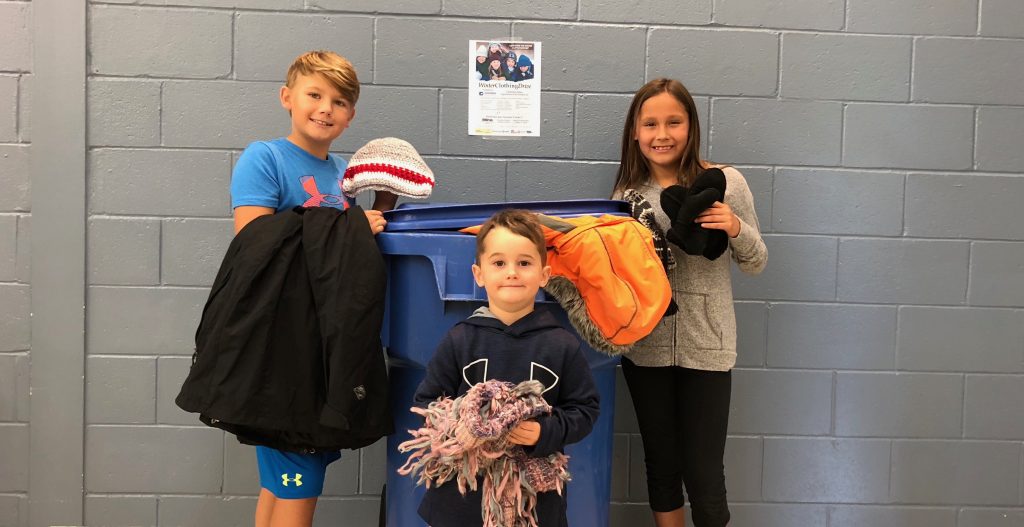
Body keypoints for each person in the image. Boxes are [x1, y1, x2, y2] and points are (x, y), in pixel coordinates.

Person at [230, 49, 395, 527]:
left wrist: (381, 204)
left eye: (339, 101)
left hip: (325, 344)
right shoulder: (265, 158)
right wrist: (347, 226)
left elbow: (339, 257)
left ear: (350, 116)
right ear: (287, 97)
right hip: (283, 344)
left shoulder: (345, 174)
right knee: (298, 474)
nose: (326, 108)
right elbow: (253, 242)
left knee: (282, 479)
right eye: (315, 95)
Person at [611, 78, 767, 527]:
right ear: (636, 133)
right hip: (645, 348)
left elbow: (756, 263)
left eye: (673, 122)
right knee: (661, 465)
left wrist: (735, 226)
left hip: (709, 346)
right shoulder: (626, 196)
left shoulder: (725, 183)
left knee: (704, 473)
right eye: (651, 124)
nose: (662, 134)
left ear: (690, 125)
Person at [412, 209, 601, 527]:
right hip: (463, 496)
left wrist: (543, 432)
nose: (512, 272)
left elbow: (586, 409)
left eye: (524, 263)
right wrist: (464, 427)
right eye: (499, 263)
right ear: (479, 274)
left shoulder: (561, 345)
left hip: (533, 501)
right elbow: (425, 403)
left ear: (544, 275)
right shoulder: (460, 339)